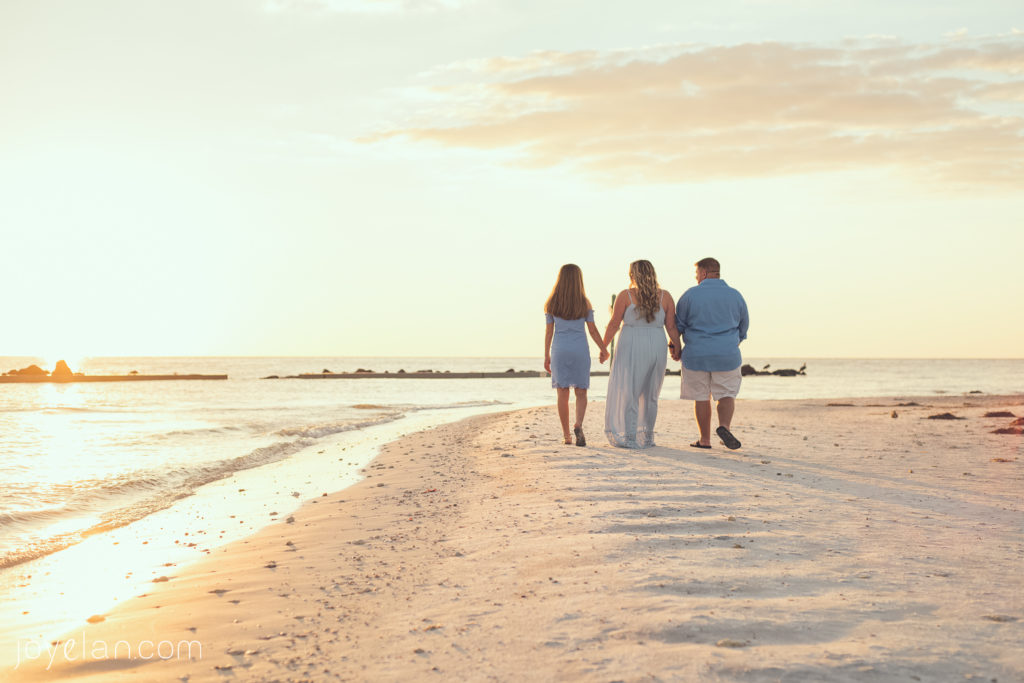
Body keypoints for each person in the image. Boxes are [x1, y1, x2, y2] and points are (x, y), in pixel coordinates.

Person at [602, 260, 682, 448]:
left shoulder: (626, 295)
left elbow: (614, 323)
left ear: (632, 275)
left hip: (632, 342)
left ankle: (630, 436)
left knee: (631, 390)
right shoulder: (666, 296)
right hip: (657, 342)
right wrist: (677, 346)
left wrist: (603, 346)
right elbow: (671, 326)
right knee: (651, 392)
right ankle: (647, 437)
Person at [673, 257, 749, 450]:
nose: (696, 277)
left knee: (701, 396)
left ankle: (704, 439)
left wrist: (675, 347)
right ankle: (724, 427)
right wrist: (731, 344)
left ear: (704, 273)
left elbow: (678, 325)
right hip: (727, 354)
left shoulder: (690, 295)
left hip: (696, 354)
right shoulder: (736, 295)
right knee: (726, 394)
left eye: (697, 273)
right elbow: (743, 327)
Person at [544, 264, 609, 446]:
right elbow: (593, 331)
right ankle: (578, 424)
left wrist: (546, 355)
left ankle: (567, 436)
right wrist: (603, 349)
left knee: (562, 393)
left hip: (560, 350)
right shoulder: (584, 303)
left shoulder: (552, 303)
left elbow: (549, 332)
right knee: (581, 391)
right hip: (580, 350)